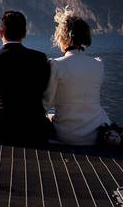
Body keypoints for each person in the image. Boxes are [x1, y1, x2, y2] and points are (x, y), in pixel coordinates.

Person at [0, 10, 53, 146]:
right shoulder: (39, 59)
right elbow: (44, 90)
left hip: (0, 132)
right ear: (25, 33)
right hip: (35, 130)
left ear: (0, 33)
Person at [43, 10, 110, 145]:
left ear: (63, 37)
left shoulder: (56, 65)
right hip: (97, 132)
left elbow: (46, 103)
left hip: (67, 135)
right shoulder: (98, 64)